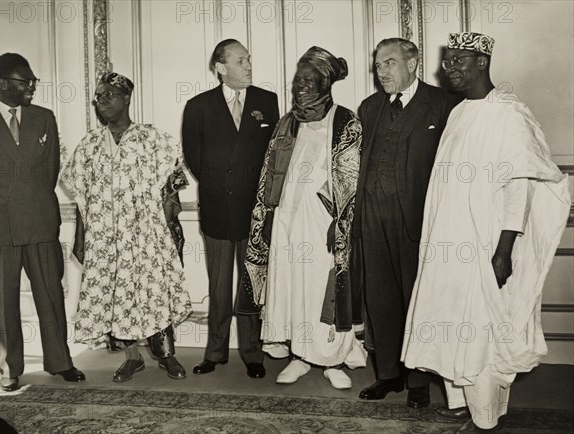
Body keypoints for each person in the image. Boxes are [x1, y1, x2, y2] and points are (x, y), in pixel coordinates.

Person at [401, 32, 571, 431]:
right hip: (448, 239)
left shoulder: (509, 113)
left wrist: (504, 249)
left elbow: (519, 186)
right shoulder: (459, 112)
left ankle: (485, 411)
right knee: (449, 314)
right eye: (448, 61)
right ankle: (459, 400)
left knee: (481, 324)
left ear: (483, 62)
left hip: (485, 240)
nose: (452, 68)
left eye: (461, 60)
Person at [240, 46, 366, 390]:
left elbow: (351, 179)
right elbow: (270, 171)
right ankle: (299, 355)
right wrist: (266, 213)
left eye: (309, 81)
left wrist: (338, 222)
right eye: (298, 80)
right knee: (291, 286)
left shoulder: (344, 120)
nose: (300, 87)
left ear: (326, 84)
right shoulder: (287, 121)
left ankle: (332, 358)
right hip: (286, 221)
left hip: (322, 222)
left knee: (320, 289)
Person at [61, 72, 192, 382]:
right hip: (105, 239)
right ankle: (132, 357)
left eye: (108, 94)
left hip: (147, 236)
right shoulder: (90, 145)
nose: (102, 100)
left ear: (127, 98)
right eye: (98, 96)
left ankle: (166, 356)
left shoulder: (152, 138)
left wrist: (171, 231)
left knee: (153, 292)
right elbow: (81, 198)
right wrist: (81, 237)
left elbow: (172, 188)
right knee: (115, 295)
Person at [352, 38, 459, 407]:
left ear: (413, 63)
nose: (381, 72)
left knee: (417, 299)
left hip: (418, 220)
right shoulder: (369, 107)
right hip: (372, 217)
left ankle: (418, 382)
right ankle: (388, 375)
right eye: (378, 65)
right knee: (379, 299)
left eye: (390, 63)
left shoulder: (444, 104)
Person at [0, 53, 85, 391]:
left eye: (34, 80)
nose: (33, 86)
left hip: (40, 221)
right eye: (26, 81)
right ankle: (9, 370)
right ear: (3, 84)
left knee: (51, 296)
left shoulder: (44, 118)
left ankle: (60, 361)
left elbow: (49, 172)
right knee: (4, 303)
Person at [182, 39, 279, 379]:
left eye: (249, 59)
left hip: (254, 211)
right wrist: (217, 184)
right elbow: (194, 156)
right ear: (221, 68)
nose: (249, 65)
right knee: (219, 286)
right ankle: (215, 352)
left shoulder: (267, 102)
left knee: (252, 285)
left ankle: (253, 353)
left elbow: (273, 156)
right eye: (241, 60)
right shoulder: (198, 106)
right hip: (218, 210)